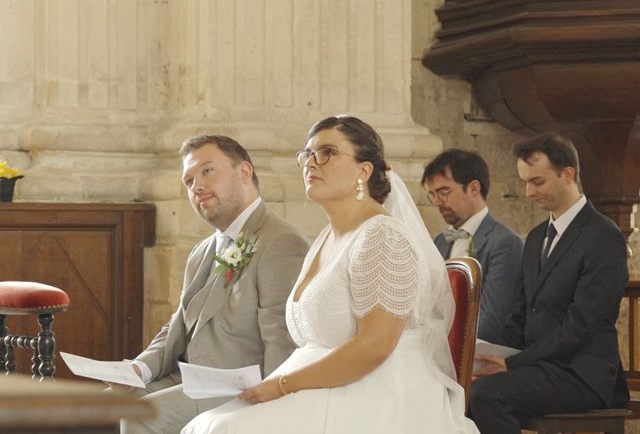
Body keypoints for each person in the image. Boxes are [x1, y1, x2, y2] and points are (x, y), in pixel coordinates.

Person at [182, 116, 479, 434]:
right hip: (325, 386)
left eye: (327, 152)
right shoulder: (326, 237)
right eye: (307, 155)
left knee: (222, 429)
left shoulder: (383, 236)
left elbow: (374, 347)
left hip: (378, 391)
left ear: (364, 171)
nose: (311, 163)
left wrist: (283, 385)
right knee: (209, 423)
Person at [121, 134, 309, 433]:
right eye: (189, 180)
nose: (196, 186)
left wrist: (274, 408)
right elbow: (177, 326)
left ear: (244, 172)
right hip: (192, 380)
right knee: (113, 403)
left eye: (207, 171)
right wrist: (138, 368)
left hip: (243, 386)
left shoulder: (280, 241)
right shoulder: (202, 251)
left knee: (143, 414)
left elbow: (283, 337)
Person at [469, 133, 630, 434]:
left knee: (487, 396)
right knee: (463, 391)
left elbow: (580, 325)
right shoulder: (535, 238)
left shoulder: (604, 236)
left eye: (537, 181)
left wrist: (513, 364)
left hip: (581, 372)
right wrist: (483, 355)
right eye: (525, 182)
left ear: (568, 174)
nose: (528, 192)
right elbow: (519, 316)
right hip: (540, 367)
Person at [422, 149, 523, 343]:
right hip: (442, 344)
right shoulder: (441, 241)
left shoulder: (505, 242)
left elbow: (491, 320)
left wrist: (444, 348)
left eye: (444, 192)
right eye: (432, 195)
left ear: (474, 188)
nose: (437, 202)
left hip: (481, 352)